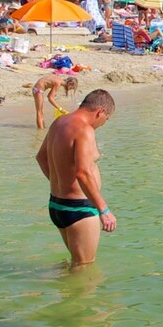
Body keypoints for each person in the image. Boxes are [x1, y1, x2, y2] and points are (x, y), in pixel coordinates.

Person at [36, 89, 119, 268]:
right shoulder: (84, 130)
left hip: (57, 206)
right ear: (100, 112)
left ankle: (61, 291)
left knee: (75, 265)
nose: (104, 123)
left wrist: (60, 183)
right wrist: (104, 210)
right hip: (80, 210)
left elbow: (41, 158)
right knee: (84, 269)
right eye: (107, 119)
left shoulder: (59, 122)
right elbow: (83, 172)